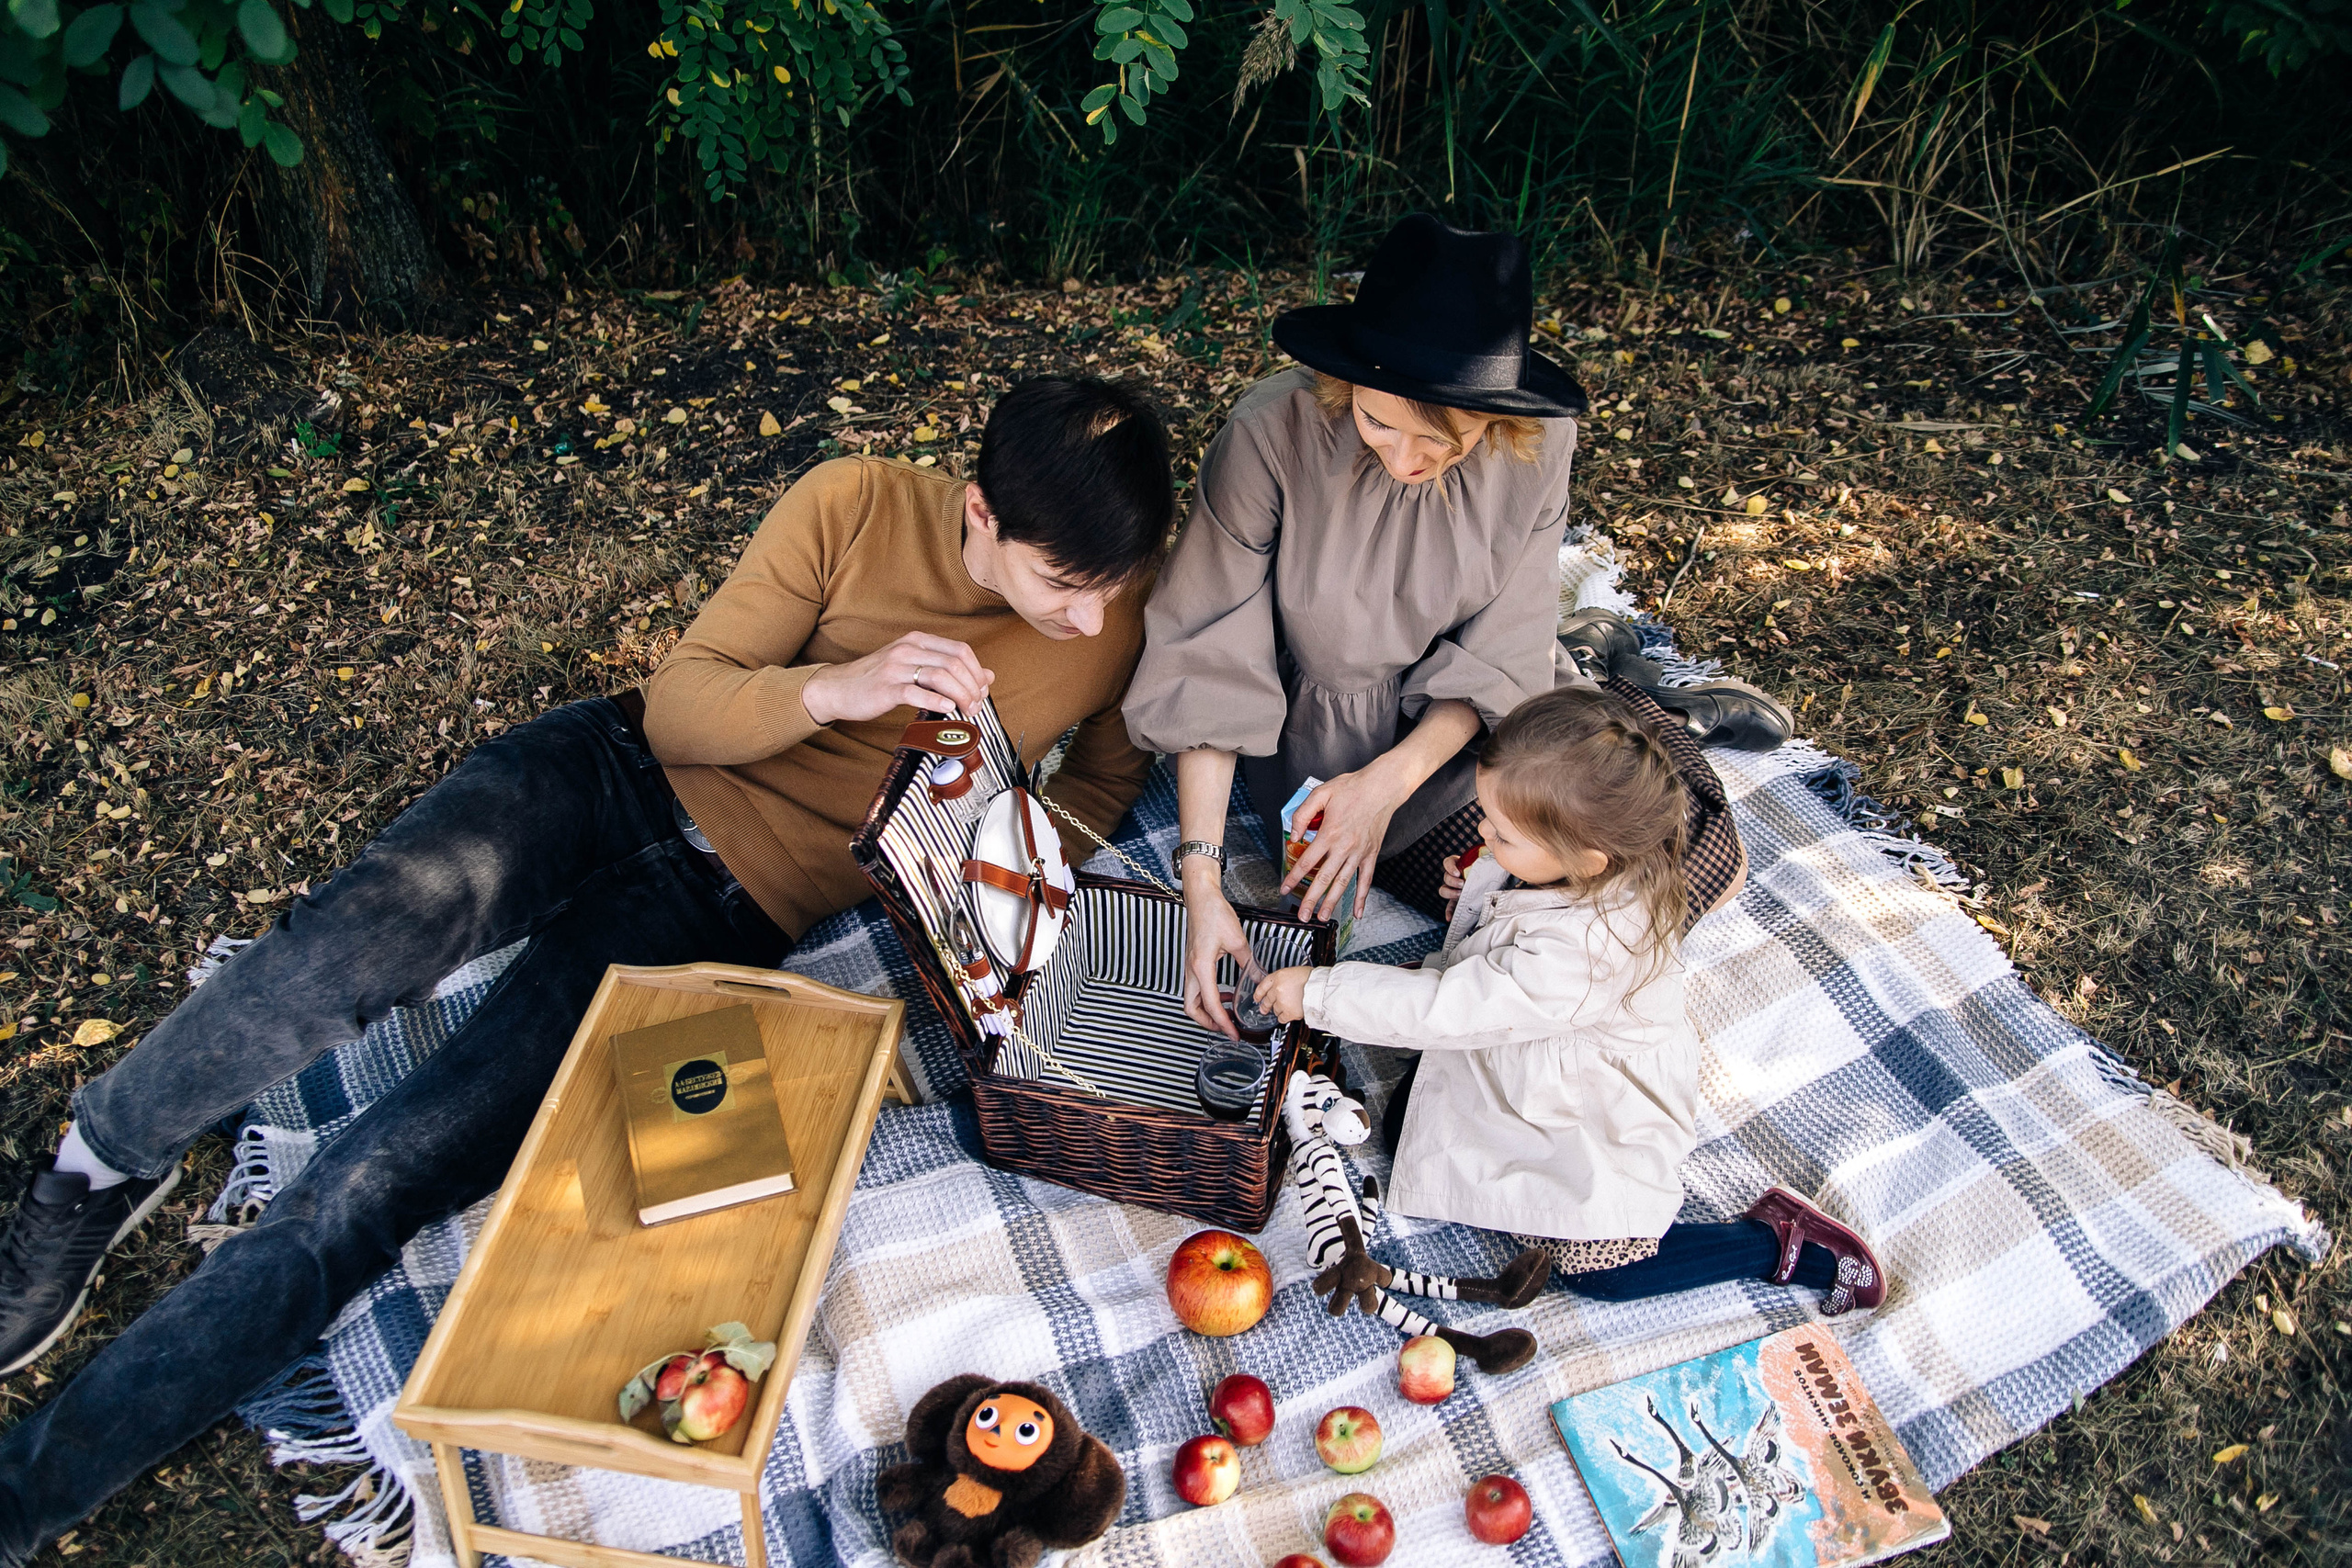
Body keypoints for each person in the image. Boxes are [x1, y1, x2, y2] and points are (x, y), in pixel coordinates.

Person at [0, 377, 1174, 1563]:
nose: (1089, 620)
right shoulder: (854, 503)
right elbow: (679, 709)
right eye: (1063, 587)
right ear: (979, 513)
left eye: (1113, 590)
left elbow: (1099, 789)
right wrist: (839, 686)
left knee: (382, 1175)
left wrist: (1001, 852)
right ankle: (94, 1158)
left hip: (725, 908)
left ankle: (26, 1486)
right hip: (611, 771)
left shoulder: (1114, 619)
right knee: (340, 949)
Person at [1122, 212, 1787, 1039]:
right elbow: (1209, 654)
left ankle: (1642, 698)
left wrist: (1392, 782)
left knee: (1686, 863)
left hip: (1465, 732)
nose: (1406, 461)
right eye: (1379, 424)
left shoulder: (1539, 445)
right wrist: (1202, 879)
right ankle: (1609, 672)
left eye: (1445, 440)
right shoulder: (1269, 433)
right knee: (1506, 926)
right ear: (1345, 385)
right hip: (1324, 735)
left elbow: (1499, 651)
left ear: (1497, 418)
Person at [1255, 686, 1885, 1314]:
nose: (1483, 834)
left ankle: (1776, 1242)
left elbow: (1450, 1006)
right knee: (1411, 1125)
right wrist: (1476, 882)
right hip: (1532, 1057)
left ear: (1585, 859)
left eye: (1501, 833)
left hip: (1591, 1113)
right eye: (1488, 818)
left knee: (1600, 1271)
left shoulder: (1588, 952)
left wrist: (1317, 992)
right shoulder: (1574, 863)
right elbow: (1509, 923)